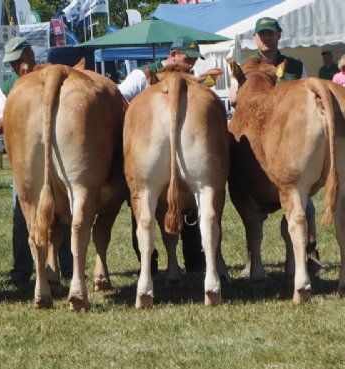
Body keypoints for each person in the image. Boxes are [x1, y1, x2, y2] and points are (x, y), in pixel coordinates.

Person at [228, 17, 322, 274]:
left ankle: (308, 252)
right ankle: (252, 258)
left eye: (271, 34)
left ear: (279, 35)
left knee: (306, 204)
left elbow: (308, 96)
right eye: (262, 34)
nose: (266, 38)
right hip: (254, 139)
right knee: (245, 191)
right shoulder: (244, 67)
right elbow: (234, 99)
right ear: (256, 38)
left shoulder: (294, 66)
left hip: (287, 137)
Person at [119, 36, 206, 273]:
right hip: (149, 148)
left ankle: (193, 259)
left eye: (194, 59)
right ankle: (149, 260)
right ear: (173, 54)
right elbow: (119, 95)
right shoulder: (141, 75)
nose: (191, 64)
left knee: (191, 207)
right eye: (187, 59)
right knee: (141, 204)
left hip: (184, 145)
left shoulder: (194, 79)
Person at [0, 37, 72, 289]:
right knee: (23, 215)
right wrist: (17, 113)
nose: (16, 67)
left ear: (29, 54)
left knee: (65, 212)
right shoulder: (9, 87)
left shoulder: (56, 75)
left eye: (18, 60)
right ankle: (22, 270)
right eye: (12, 63)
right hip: (25, 159)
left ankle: (65, 267)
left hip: (57, 155)